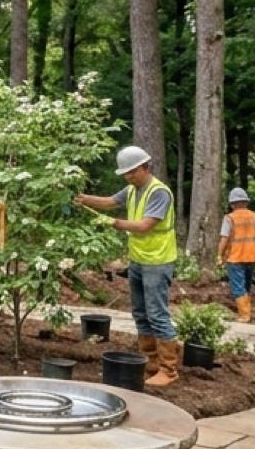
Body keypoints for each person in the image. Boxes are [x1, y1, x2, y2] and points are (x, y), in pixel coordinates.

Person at [75, 145, 181, 387]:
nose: (128, 176)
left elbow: (145, 226)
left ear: (145, 167)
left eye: (132, 172)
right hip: (139, 259)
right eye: (125, 173)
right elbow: (111, 201)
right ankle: (151, 363)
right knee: (141, 313)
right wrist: (85, 199)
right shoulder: (133, 189)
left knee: (157, 314)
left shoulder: (158, 192)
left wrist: (113, 223)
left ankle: (169, 369)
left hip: (158, 260)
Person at [217, 187, 255, 323]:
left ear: (232, 204)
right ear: (246, 202)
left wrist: (219, 256)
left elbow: (224, 238)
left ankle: (245, 315)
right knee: (246, 285)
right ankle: (246, 311)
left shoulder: (230, 218)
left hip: (235, 258)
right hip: (252, 257)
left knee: (238, 286)